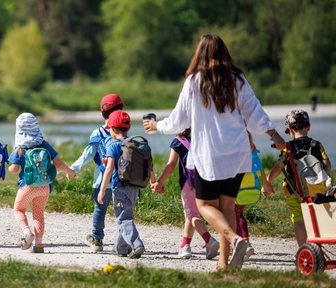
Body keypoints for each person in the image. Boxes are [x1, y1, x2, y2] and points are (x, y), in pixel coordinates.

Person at [142, 34, 285, 271]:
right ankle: (223, 264)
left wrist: (157, 126)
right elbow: (255, 114)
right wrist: (274, 135)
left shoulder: (194, 81)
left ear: (200, 53)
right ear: (224, 53)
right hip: (239, 154)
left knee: (206, 205)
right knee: (227, 207)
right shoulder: (237, 79)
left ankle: (234, 238)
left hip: (209, 156)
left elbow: (178, 122)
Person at [8, 112, 76, 253]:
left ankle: (27, 233)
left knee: (19, 210)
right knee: (38, 214)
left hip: (27, 185)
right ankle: (38, 245)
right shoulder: (45, 145)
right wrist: (70, 171)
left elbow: (14, 170)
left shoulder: (20, 148)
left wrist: (9, 166)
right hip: (45, 186)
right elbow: (58, 163)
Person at [265, 109, 332, 246]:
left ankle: (303, 248)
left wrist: (267, 182)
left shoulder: (288, 147)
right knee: (315, 214)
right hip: (315, 188)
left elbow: (279, 167)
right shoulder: (316, 145)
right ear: (308, 127)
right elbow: (327, 165)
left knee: (298, 218)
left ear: (289, 130)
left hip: (293, 190)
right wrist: (326, 179)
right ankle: (316, 245)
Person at [151, 128, 219, 260]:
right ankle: (185, 246)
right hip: (207, 181)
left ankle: (209, 240)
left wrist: (159, 183)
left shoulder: (178, 142)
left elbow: (170, 165)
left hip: (189, 184)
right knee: (190, 215)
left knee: (192, 215)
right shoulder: (203, 138)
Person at [70, 93, 124, 252]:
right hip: (122, 180)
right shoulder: (124, 130)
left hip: (102, 180)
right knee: (122, 212)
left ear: (102, 113)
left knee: (99, 211)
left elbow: (88, 154)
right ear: (121, 110)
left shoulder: (98, 133)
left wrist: (74, 168)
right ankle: (124, 241)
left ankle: (97, 240)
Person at [98, 110, 146, 259]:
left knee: (123, 218)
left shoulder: (113, 146)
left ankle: (137, 244)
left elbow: (109, 169)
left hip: (119, 187)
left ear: (112, 129)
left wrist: (101, 190)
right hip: (135, 186)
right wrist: (153, 181)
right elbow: (148, 165)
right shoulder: (135, 144)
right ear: (128, 128)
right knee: (126, 215)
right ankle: (120, 248)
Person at [235, 131, 274, 261]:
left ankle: (245, 243)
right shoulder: (253, 153)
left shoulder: (235, 154)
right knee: (239, 215)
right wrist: (266, 185)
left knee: (235, 216)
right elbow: (261, 169)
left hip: (237, 193)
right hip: (250, 191)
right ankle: (240, 243)